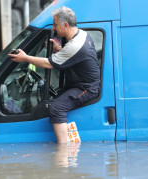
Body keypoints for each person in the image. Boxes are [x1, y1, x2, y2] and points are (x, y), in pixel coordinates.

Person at [8, 6, 100, 143]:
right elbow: (73, 56)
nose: (53, 28)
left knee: (57, 109)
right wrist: (60, 50)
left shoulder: (75, 45)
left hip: (86, 88)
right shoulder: (81, 35)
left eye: (56, 24)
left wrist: (25, 58)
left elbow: (49, 64)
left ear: (66, 25)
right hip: (79, 83)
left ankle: (64, 152)